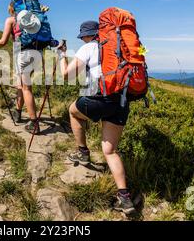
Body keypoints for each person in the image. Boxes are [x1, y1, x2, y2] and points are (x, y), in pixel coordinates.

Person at [57, 21, 136, 215]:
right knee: (109, 150)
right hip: (121, 102)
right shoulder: (119, 48)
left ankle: (83, 152)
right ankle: (125, 199)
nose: (82, 39)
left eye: (83, 36)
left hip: (98, 99)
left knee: (72, 111)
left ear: (87, 35)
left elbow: (66, 75)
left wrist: (61, 56)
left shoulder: (89, 47)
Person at [0, 2, 40, 133]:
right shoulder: (34, 18)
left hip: (22, 54)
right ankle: (18, 112)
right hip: (37, 54)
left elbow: (3, 41)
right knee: (21, 85)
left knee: (26, 88)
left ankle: (34, 123)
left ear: (12, 9)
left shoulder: (11, 20)